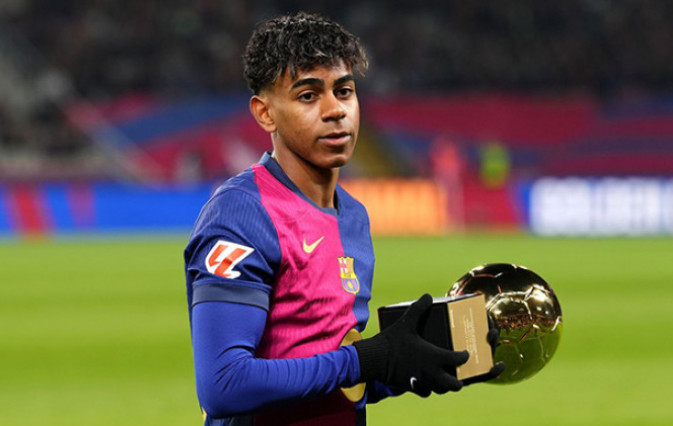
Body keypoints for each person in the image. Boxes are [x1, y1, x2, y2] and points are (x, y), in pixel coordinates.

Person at [184, 12, 501, 426]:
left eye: (344, 91)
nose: (335, 110)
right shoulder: (243, 213)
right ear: (265, 113)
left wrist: (412, 363)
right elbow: (224, 385)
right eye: (308, 96)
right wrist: (365, 359)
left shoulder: (352, 216)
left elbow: (337, 376)